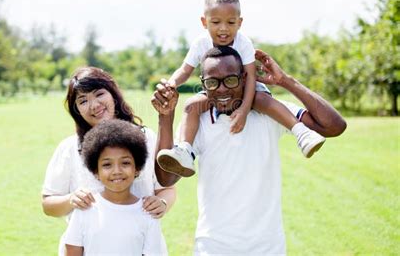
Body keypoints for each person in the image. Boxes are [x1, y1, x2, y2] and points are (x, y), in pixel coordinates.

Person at [152, 47, 346, 254]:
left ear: (246, 79)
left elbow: (333, 126)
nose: (221, 89)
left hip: (267, 247)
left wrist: (285, 80)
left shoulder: (271, 111)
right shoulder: (198, 120)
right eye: (211, 82)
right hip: (213, 246)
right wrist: (166, 116)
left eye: (231, 80)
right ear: (202, 84)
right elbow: (166, 179)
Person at [157, 0, 326, 178]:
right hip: (217, 90)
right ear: (204, 22)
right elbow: (185, 71)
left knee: (262, 99)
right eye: (215, 22)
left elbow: (251, 78)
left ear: (239, 23)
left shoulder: (244, 43)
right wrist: (171, 84)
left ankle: (302, 133)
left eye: (230, 22)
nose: (223, 28)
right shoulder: (200, 43)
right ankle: (185, 151)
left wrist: (244, 111)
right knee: (191, 106)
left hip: (247, 89)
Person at [41, 67, 176, 255]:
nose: (94, 104)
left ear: (113, 94)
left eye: (99, 94)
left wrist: (161, 203)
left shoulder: (146, 138)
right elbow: (48, 204)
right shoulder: (69, 148)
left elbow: (167, 189)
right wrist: (71, 199)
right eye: (83, 101)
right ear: (76, 110)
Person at [64, 119, 167, 255]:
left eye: (125, 163)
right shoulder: (84, 210)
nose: (116, 171)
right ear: (96, 171)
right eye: (107, 165)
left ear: (137, 168)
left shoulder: (148, 213)